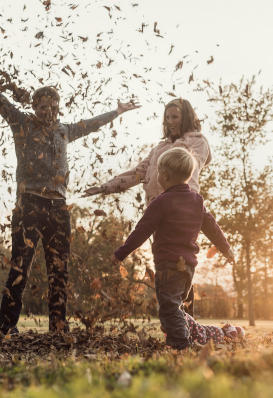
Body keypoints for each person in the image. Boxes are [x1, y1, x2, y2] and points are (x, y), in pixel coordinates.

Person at [0, 57, 140, 336]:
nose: (49, 112)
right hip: (28, 205)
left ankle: (58, 325)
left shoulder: (65, 130)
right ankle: (8, 327)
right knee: (20, 267)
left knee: (59, 269)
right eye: (44, 107)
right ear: (34, 107)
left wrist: (117, 111)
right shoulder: (20, 123)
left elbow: (91, 124)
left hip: (58, 207)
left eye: (54, 107)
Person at [83, 98, 210, 315]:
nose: (170, 121)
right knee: (164, 263)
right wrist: (107, 186)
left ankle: (185, 322)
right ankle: (173, 323)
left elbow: (190, 165)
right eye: (167, 117)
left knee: (181, 264)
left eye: (175, 117)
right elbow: (139, 172)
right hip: (158, 208)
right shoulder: (159, 148)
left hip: (182, 209)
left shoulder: (197, 142)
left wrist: (177, 145)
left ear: (186, 117)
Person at [111, 147, 235, 350]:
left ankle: (180, 344)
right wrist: (226, 248)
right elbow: (212, 227)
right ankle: (200, 335)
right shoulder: (197, 201)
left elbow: (141, 231)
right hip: (188, 268)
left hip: (168, 266)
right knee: (175, 307)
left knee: (169, 308)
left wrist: (121, 253)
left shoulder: (162, 202)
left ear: (165, 175)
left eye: (158, 172)